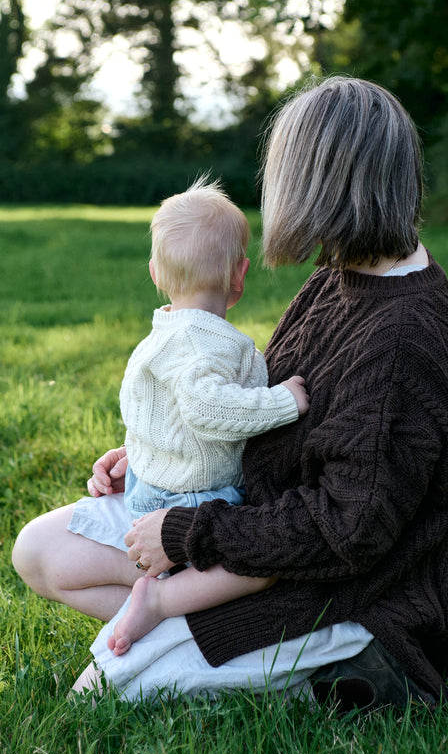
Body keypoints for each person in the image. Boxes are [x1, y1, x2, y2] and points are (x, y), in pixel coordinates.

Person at [12, 76, 448, 714]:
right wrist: (161, 451)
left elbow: (347, 530)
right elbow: (255, 398)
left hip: (350, 593)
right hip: (254, 530)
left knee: (102, 696)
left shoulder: (402, 339)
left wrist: (188, 536)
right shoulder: (338, 276)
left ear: (321, 183)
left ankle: (354, 671)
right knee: (42, 552)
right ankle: (184, 620)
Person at [87, 179, 309, 654]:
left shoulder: (164, 334)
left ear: (154, 273)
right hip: (191, 498)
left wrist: (136, 457)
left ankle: (171, 615)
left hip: (155, 486)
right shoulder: (204, 341)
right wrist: (283, 401)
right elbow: (209, 409)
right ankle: (162, 601)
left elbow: (161, 415)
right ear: (240, 275)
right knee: (256, 569)